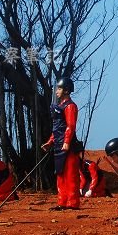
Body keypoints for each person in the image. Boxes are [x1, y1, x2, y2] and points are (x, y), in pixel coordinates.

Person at [41, 77, 81, 210]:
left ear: (66, 90)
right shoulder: (59, 107)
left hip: (67, 146)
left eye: (59, 88)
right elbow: (57, 128)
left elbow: (70, 126)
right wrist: (50, 142)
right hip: (58, 144)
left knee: (70, 175)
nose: (57, 91)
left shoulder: (70, 106)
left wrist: (67, 142)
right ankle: (62, 201)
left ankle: (72, 202)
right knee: (60, 174)